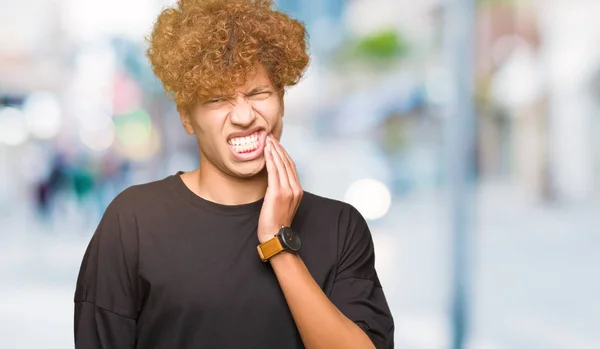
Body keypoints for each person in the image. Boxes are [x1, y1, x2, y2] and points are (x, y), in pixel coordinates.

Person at [73, 0, 395, 348]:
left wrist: (279, 245)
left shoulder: (340, 226)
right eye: (217, 99)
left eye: (258, 93)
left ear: (282, 101)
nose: (244, 116)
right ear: (186, 117)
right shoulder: (134, 221)